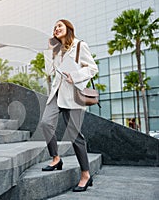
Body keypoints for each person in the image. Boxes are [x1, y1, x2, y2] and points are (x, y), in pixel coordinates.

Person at [41, 19, 98, 192]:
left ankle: (85, 175)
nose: (56, 28)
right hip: (56, 94)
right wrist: (49, 52)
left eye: (59, 25)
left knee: (75, 135)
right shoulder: (56, 51)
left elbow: (92, 68)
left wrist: (75, 75)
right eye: (54, 27)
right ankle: (56, 158)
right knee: (45, 123)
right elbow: (49, 72)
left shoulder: (80, 45)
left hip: (73, 96)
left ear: (68, 28)